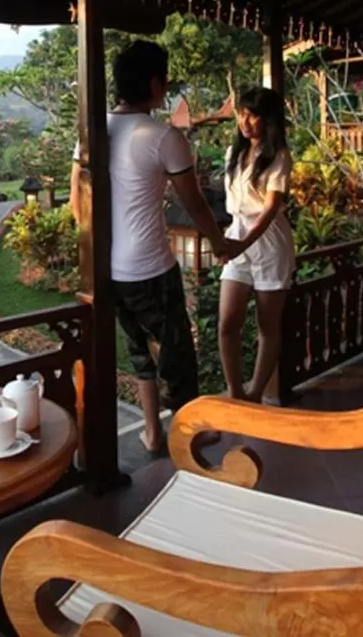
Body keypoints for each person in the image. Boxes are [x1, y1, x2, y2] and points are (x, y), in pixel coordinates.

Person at [71, 40, 242, 454]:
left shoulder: (93, 133)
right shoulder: (164, 137)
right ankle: (191, 439)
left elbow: (78, 203)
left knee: (138, 351)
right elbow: (196, 205)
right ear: (153, 82)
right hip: (149, 267)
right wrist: (220, 243)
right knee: (178, 357)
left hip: (108, 271)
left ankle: (151, 432)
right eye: (164, 78)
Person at [218, 86, 294, 405]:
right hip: (238, 237)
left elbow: (270, 208)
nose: (244, 121)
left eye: (252, 115)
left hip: (269, 242)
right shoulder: (233, 154)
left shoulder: (278, 156)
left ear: (268, 119)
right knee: (227, 323)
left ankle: (256, 393)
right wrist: (231, 242)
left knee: (267, 324)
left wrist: (241, 244)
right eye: (241, 114)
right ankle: (236, 393)